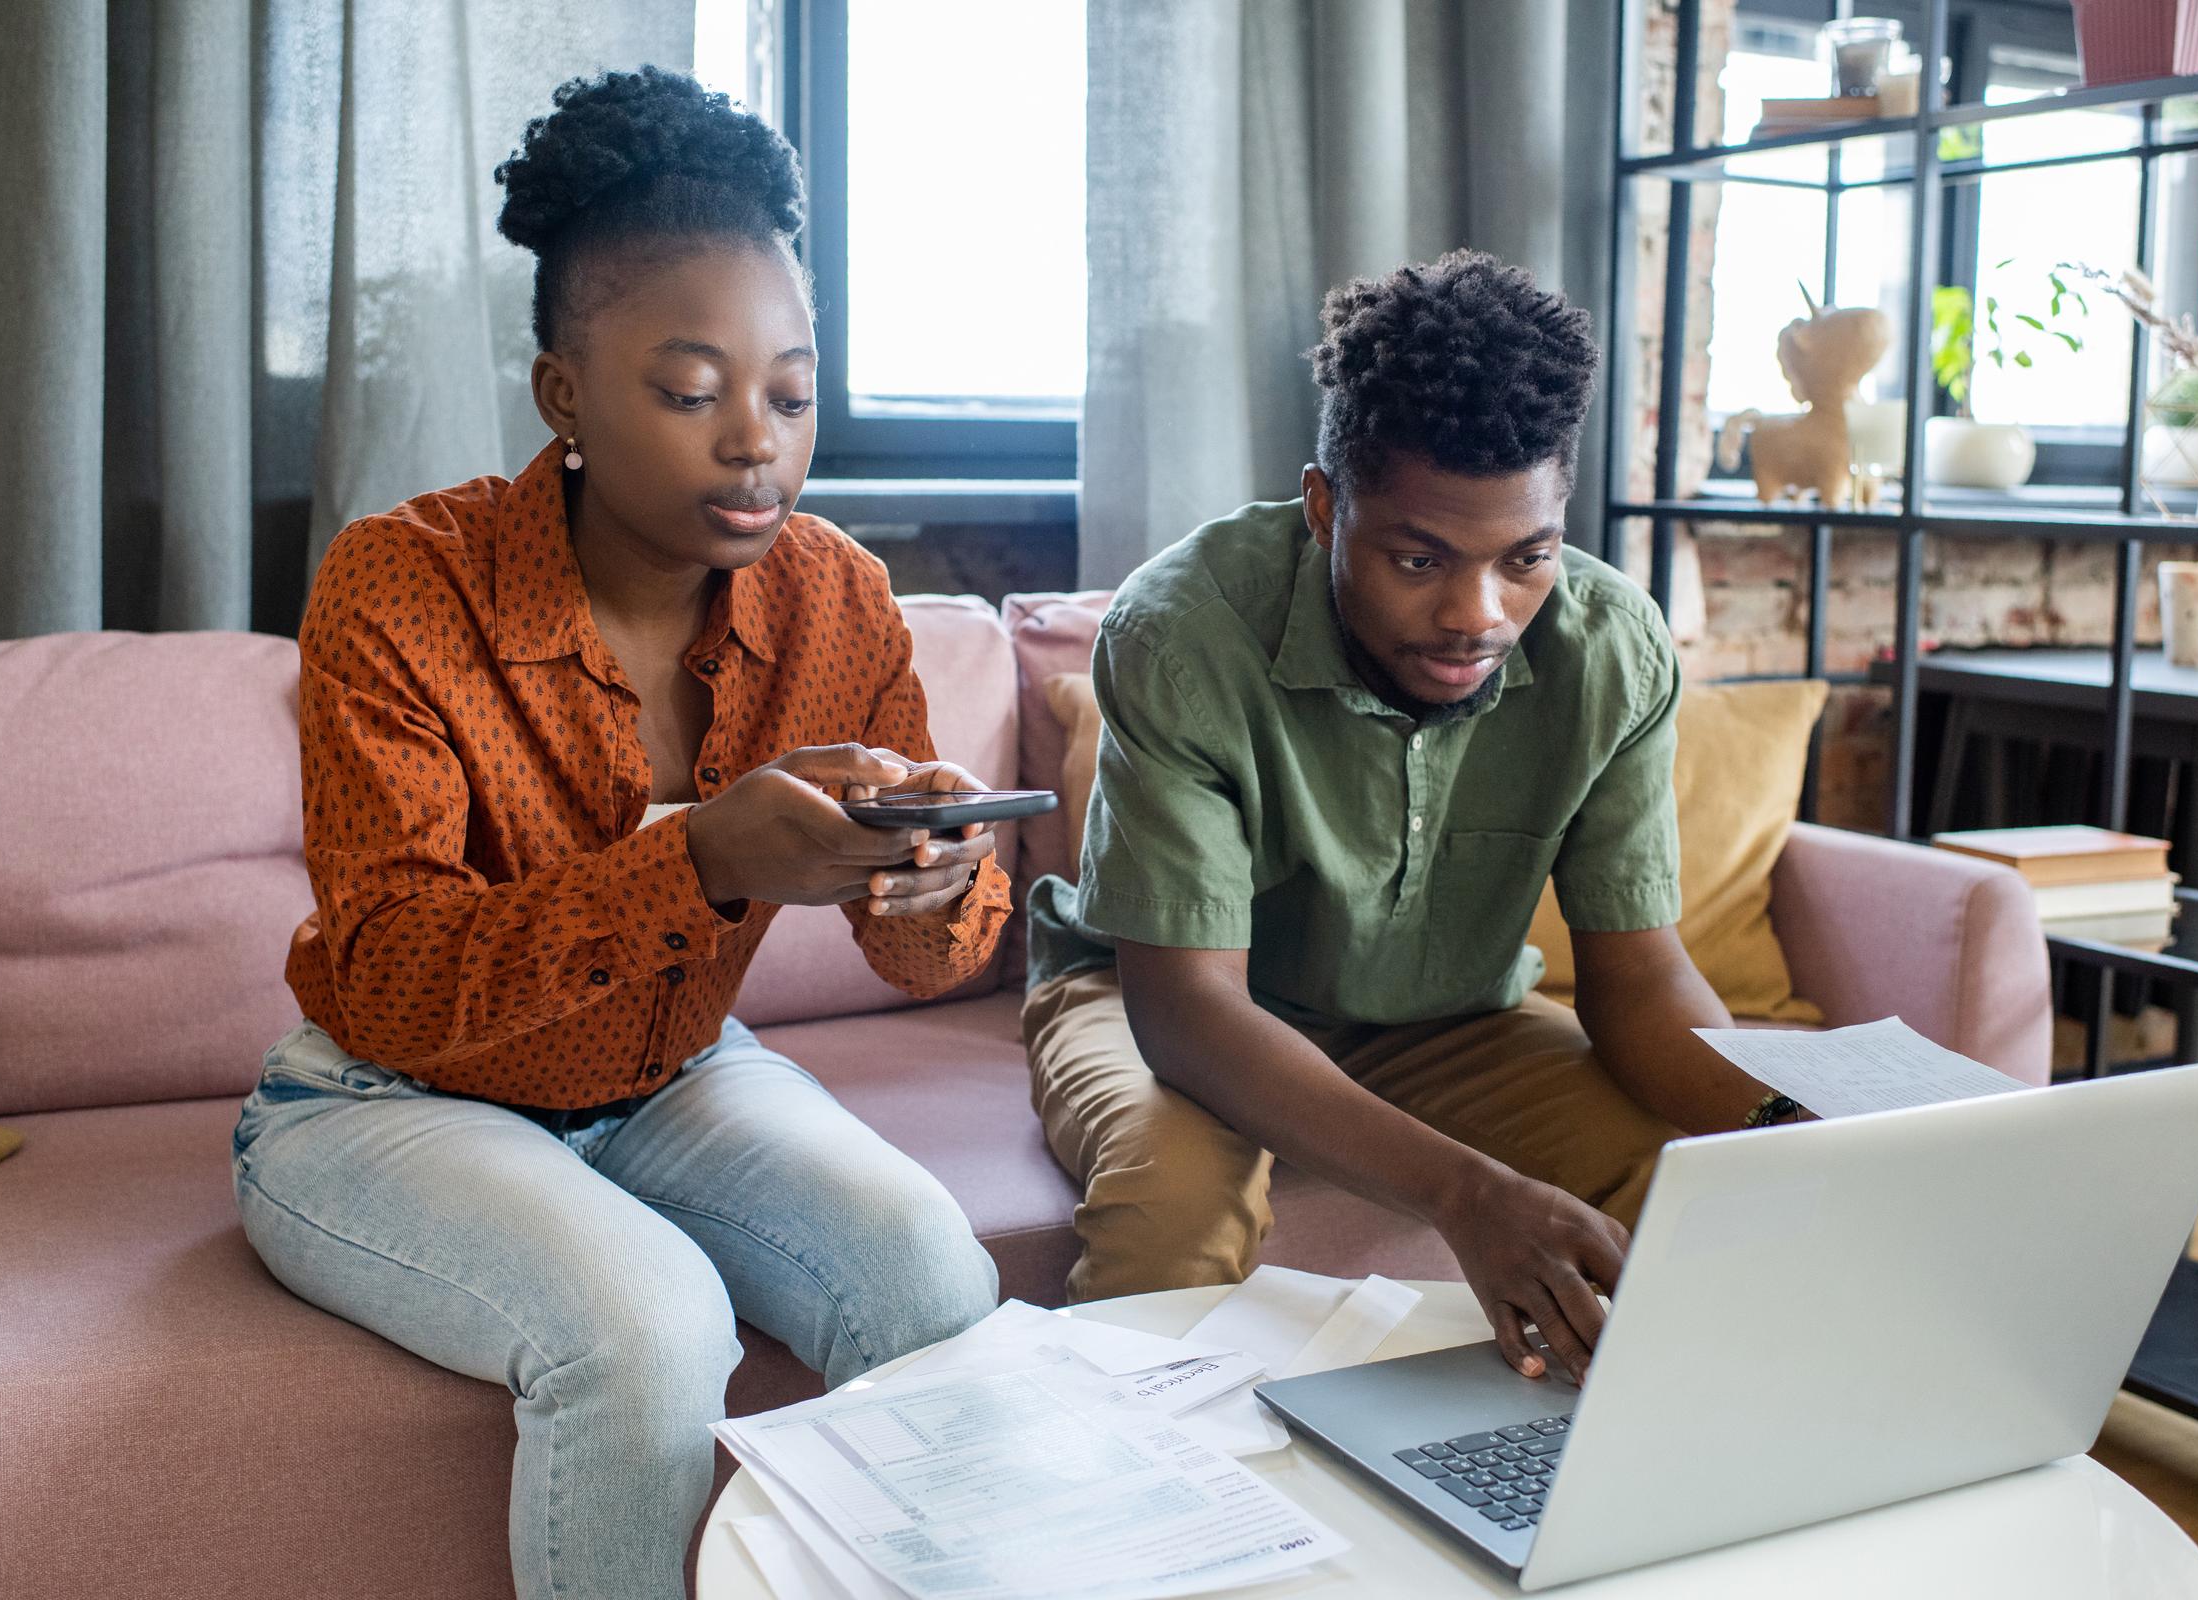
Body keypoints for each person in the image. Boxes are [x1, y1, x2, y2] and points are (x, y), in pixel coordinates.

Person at [231, 68, 1005, 1600]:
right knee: (645, 1322)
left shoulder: (834, 599)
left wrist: (929, 875)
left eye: (790, 394)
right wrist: (704, 858)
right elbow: (387, 978)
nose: (755, 444)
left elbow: (935, 968)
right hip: (383, 1100)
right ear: (566, 394)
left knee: (935, 1271)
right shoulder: (402, 585)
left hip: (673, 1077)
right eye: (690, 388)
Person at [1026, 250, 1793, 1387]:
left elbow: (1638, 984)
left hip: (1448, 1024)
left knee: (1693, 1183)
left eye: (1525, 558)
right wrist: (1465, 1192)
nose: (1476, 616)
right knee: (1174, 1213)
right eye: (1419, 558)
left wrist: (1790, 1124)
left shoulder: (1612, 650)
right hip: (1176, 1000)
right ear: (1326, 506)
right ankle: (1136, 1546)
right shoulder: (1181, 633)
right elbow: (1188, 1011)